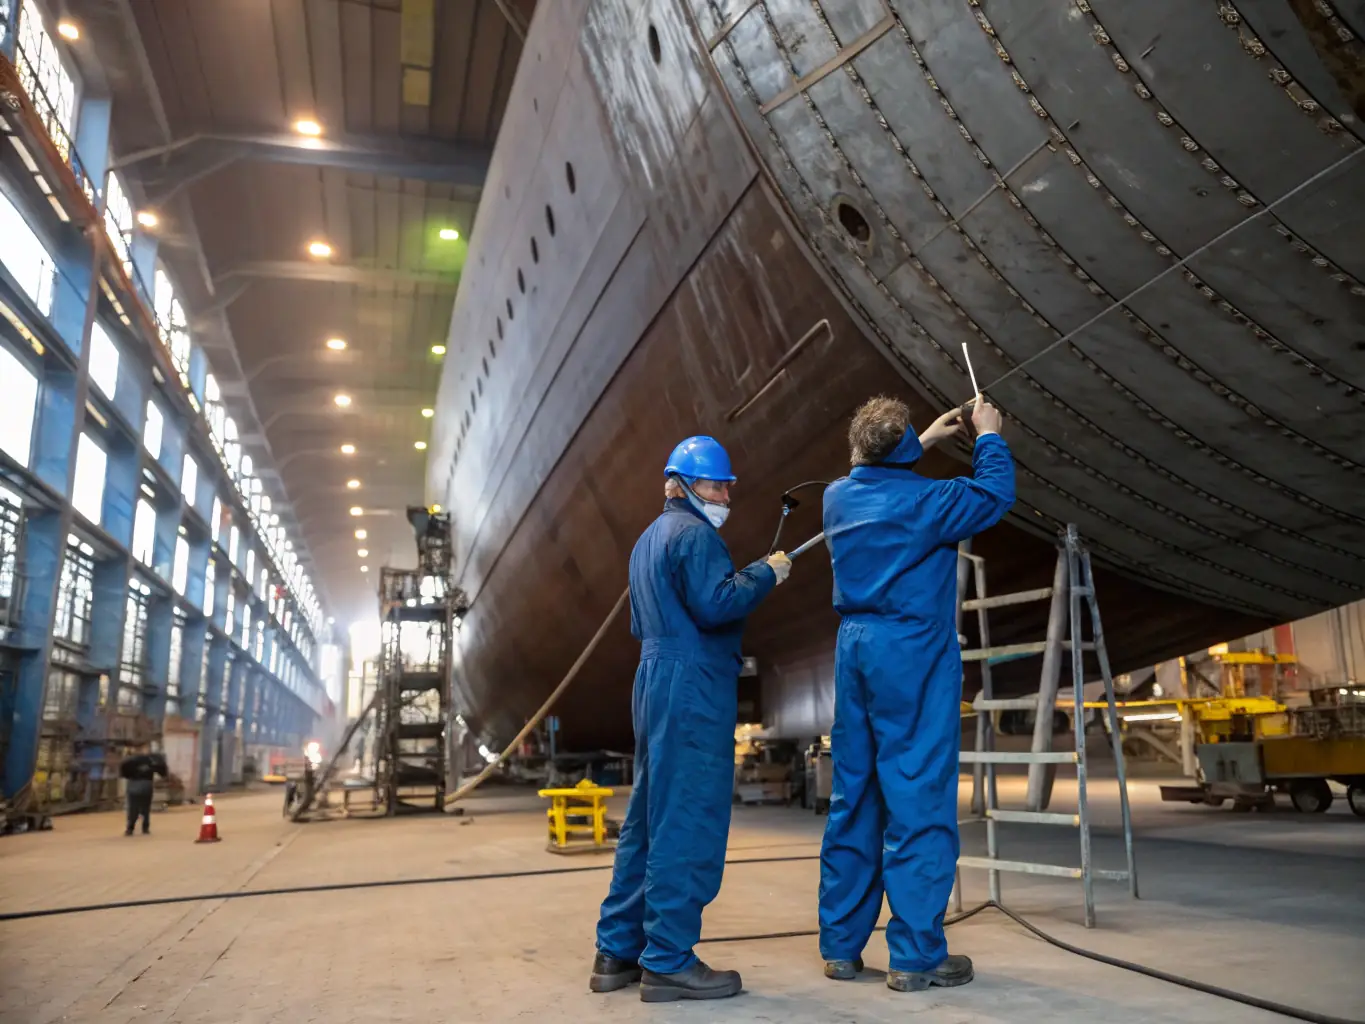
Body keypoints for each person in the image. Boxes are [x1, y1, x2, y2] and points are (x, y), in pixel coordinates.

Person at [818, 396, 1015, 993]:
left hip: (854, 650)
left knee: (855, 794)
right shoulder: (931, 502)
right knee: (918, 795)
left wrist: (921, 439)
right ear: (901, 453)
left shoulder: (836, 498)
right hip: (912, 652)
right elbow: (994, 495)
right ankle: (915, 956)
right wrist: (988, 435)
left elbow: (870, 468)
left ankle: (842, 948)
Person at [592, 435, 793, 1002]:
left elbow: (646, 620)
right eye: (715, 483)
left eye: (728, 484)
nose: (727, 492)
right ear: (681, 484)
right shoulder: (696, 536)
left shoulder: (647, 540)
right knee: (688, 818)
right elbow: (716, 605)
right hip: (693, 683)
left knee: (648, 818)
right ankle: (668, 960)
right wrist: (764, 575)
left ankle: (617, 951)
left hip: (654, 677)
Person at [120, 748, 169, 836]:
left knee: (133, 807)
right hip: (147, 784)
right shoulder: (151, 759)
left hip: (134, 784)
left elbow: (123, 772)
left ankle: (130, 829)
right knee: (145, 807)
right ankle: (145, 828)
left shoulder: (129, 760)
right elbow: (162, 770)